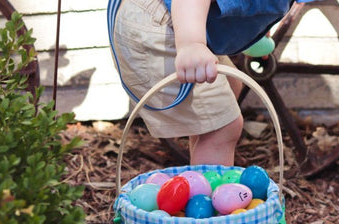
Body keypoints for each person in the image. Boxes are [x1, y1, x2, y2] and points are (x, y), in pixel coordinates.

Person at [107, 0, 312, 166]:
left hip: (176, 18)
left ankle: (203, 168)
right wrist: (191, 45)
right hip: (163, 25)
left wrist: (255, 32)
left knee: (232, 86)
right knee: (223, 128)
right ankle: (207, 211)